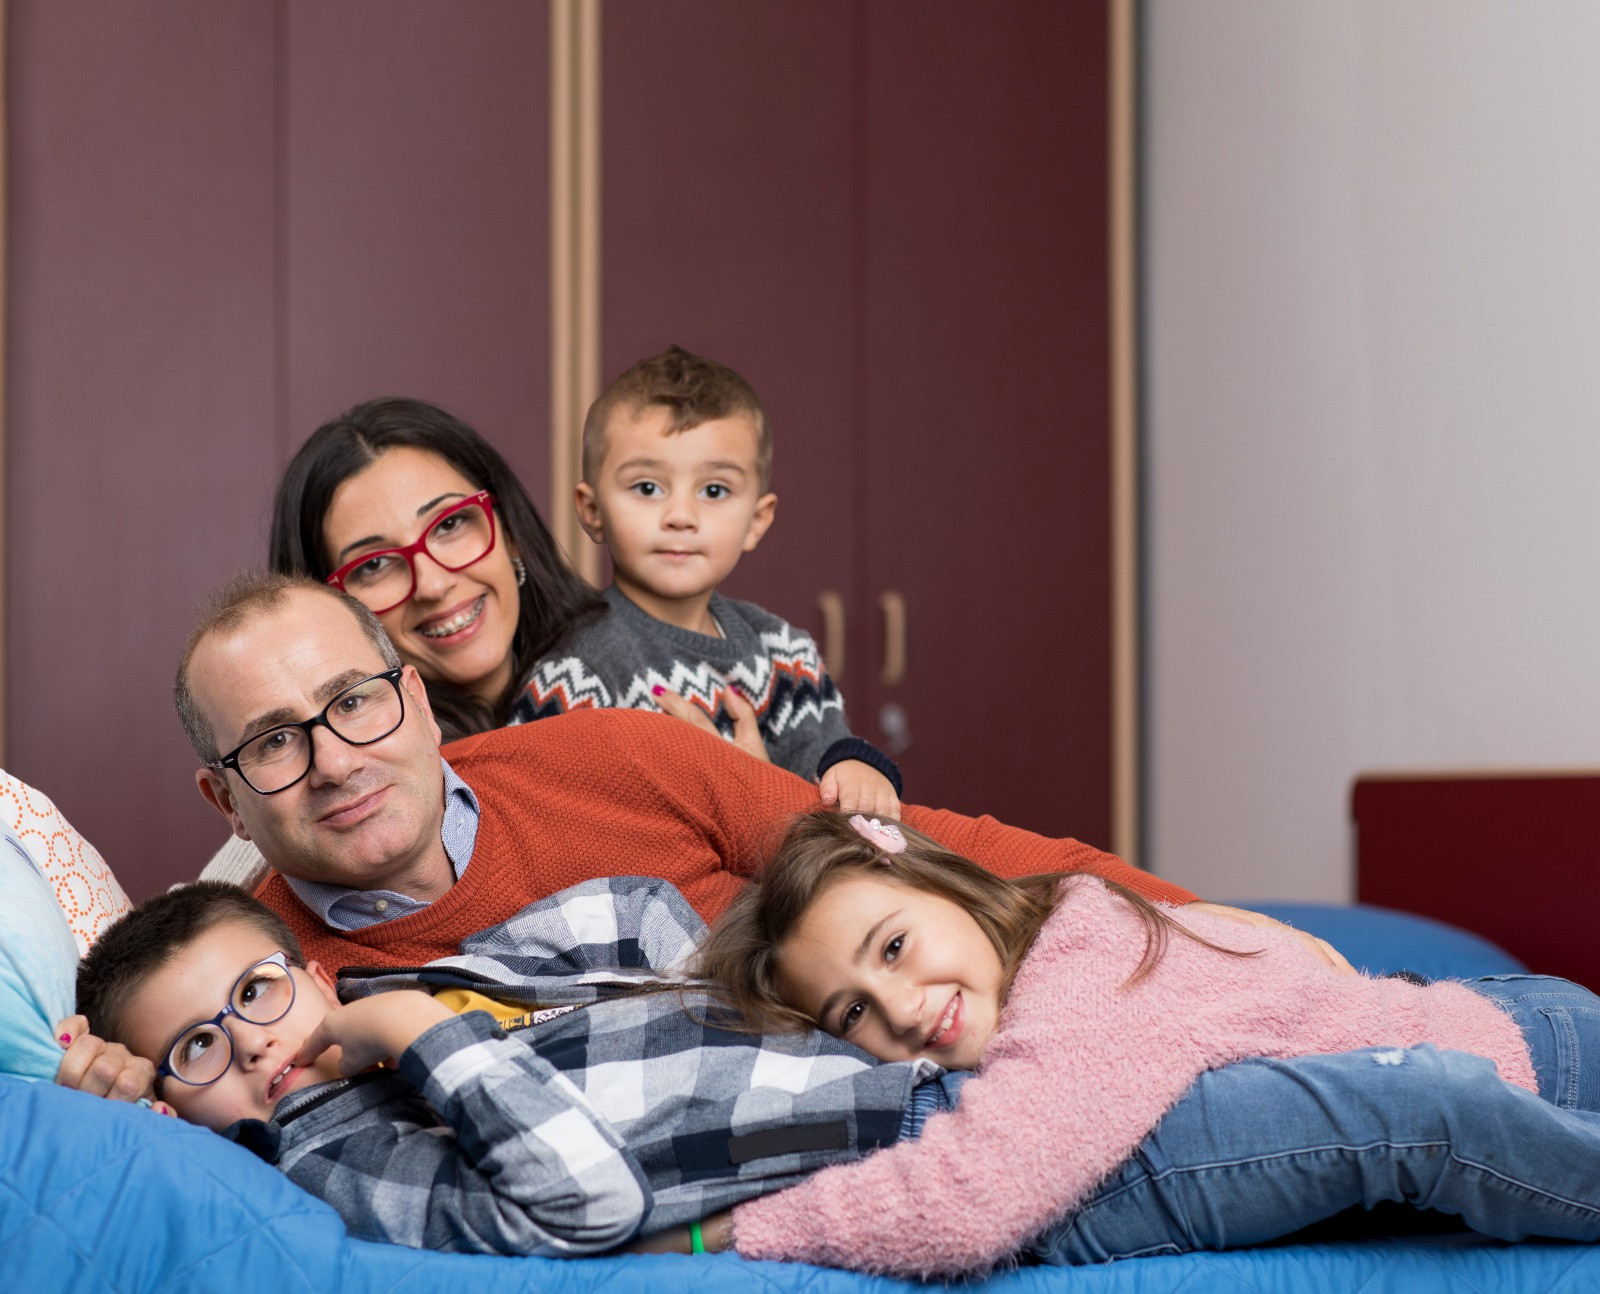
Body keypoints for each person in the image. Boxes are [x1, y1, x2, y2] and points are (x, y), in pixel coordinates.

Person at [700, 809, 1600, 1276]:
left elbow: (971, 1198)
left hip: (1539, 1060)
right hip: (1507, 1024)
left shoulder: (1082, 972)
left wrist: (723, 1233)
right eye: (852, 1014)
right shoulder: (1060, 957)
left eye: (894, 947)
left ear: (946, 886)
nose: (896, 1007)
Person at [172, 570, 1189, 973]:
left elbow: (919, 853)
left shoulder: (608, 753)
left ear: (417, 700)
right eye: (271, 742)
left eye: (354, 700)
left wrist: (1210, 928)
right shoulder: (260, 984)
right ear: (225, 798)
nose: (335, 760)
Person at [73, 876, 964, 1256]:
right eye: (197, 1048)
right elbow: (589, 1201)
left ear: (313, 977)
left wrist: (733, 1018)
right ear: (170, 1105)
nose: (251, 1043)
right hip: (895, 1132)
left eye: (258, 993)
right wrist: (416, 1032)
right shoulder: (337, 1163)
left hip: (879, 1040)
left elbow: (630, 907)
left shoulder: (442, 980)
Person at [514, 345, 901, 816]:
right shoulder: (576, 673)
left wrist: (857, 767)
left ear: (757, 520)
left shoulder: (784, 653)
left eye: (714, 491)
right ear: (592, 512)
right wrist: (733, 790)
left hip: (788, 880)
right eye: (647, 488)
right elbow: (544, 829)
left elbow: (826, 767)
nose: (681, 516)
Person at [270, 396, 605, 742]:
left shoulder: (636, 665)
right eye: (374, 564)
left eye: (449, 525)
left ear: (510, 533)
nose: (433, 585)